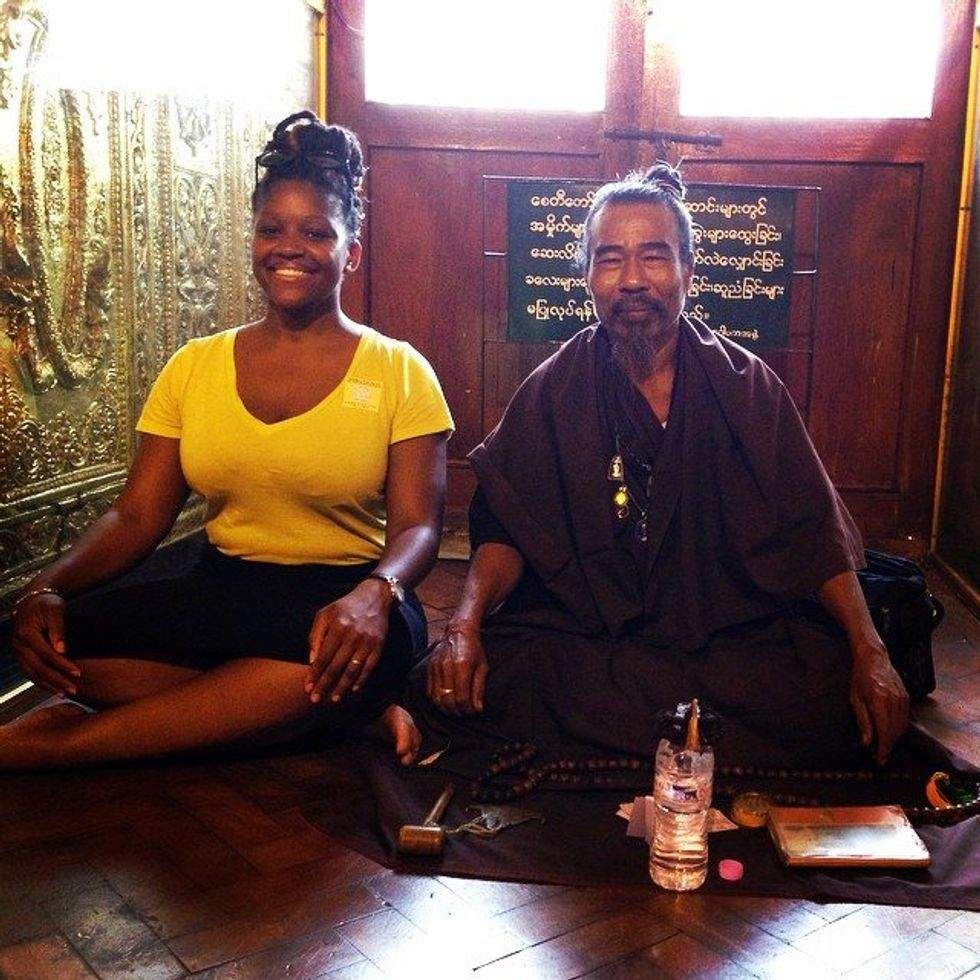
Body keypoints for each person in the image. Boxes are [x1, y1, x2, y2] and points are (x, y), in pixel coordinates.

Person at [3, 110, 453, 769]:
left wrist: (377, 592)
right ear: (252, 242)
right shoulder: (195, 365)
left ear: (350, 251)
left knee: (370, 652)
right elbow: (136, 517)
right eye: (271, 229)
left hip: (345, 598)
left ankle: (64, 746)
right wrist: (47, 587)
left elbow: (419, 529)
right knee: (63, 641)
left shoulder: (400, 371)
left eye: (316, 232)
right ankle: (333, 712)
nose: (289, 247)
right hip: (226, 590)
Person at [424, 164, 909, 769]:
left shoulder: (746, 386)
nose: (632, 281)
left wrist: (870, 651)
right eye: (609, 260)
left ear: (688, 271)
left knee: (827, 684)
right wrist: (464, 624)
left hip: (728, 635)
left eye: (654, 258)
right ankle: (690, 736)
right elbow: (508, 528)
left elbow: (812, 531)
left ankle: (645, 736)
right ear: (585, 277)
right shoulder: (554, 390)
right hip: (597, 633)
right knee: (483, 675)